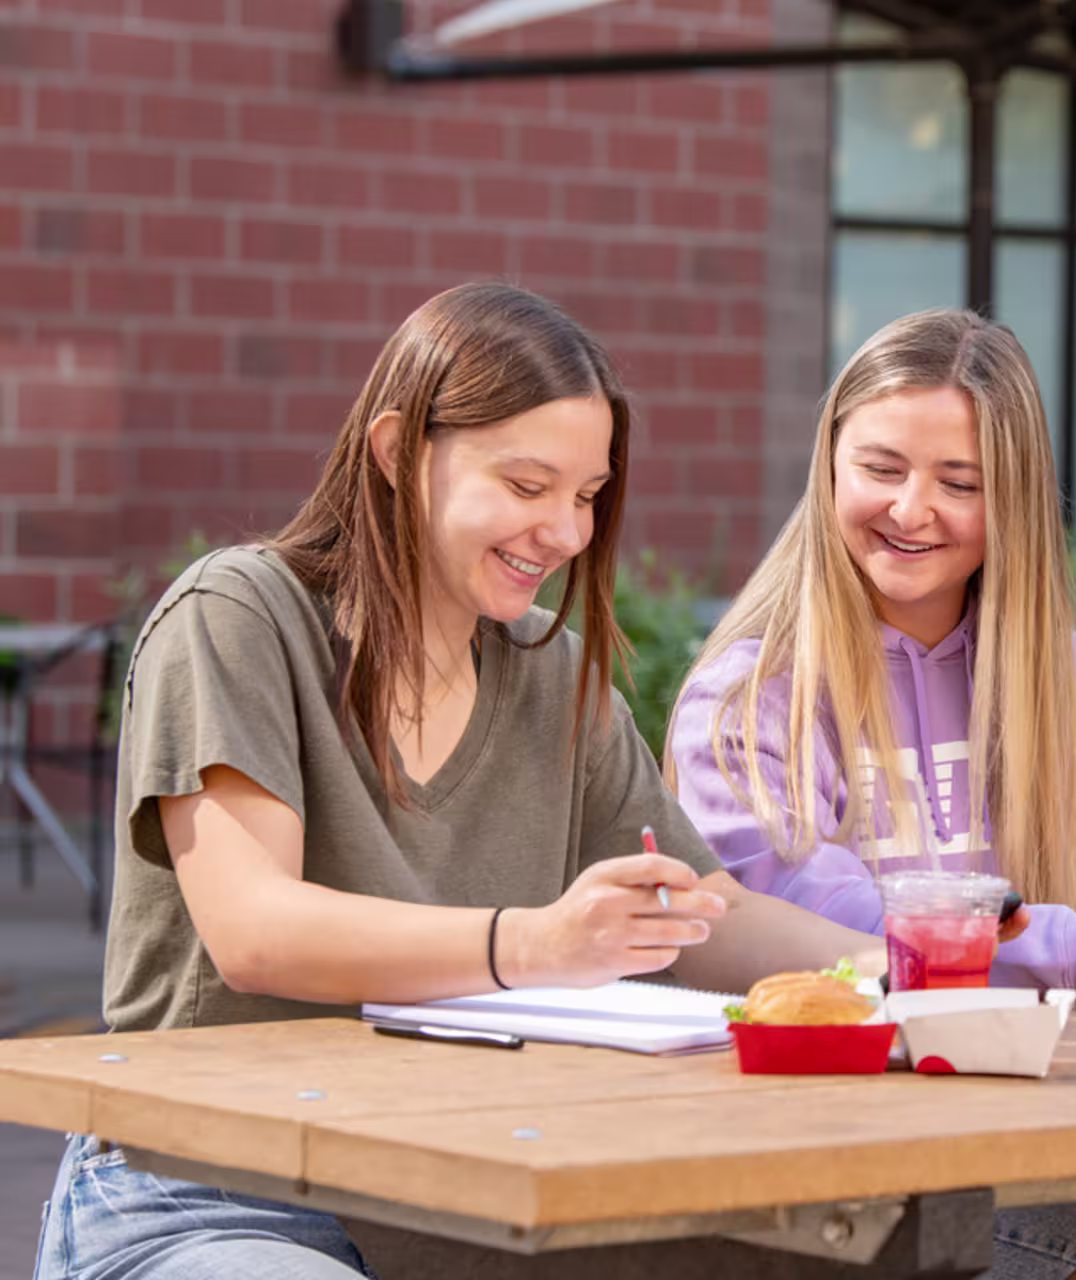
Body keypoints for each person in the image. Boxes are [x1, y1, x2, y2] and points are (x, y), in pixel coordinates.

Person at [34, 283, 883, 1280]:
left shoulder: (554, 671)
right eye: (527, 485)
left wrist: (911, 971)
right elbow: (256, 931)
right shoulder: (238, 616)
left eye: (587, 496)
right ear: (398, 452)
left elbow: (704, 911)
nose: (566, 532)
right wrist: (538, 943)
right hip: (207, 1191)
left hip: (464, 1195)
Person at [666, 309, 1076, 1277]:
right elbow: (820, 920)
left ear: (1013, 498)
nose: (911, 509)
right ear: (830, 467)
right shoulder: (750, 702)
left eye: (959, 482)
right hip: (840, 1170)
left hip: (1049, 1126)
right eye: (881, 468)